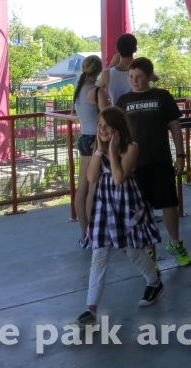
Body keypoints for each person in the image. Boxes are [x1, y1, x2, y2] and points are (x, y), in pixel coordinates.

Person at [75, 106, 163, 327]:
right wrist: (98, 150)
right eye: (99, 125)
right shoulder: (98, 146)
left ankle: (154, 282)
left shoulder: (131, 147)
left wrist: (112, 152)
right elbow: (92, 176)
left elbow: (118, 178)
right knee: (99, 256)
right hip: (104, 205)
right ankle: (90, 309)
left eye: (107, 125)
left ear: (118, 126)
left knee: (133, 252)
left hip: (126, 202)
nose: (102, 129)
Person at [114, 57, 191, 268]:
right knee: (142, 209)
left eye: (139, 77)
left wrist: (181, 155)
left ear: (149, 76)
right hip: (134, 165)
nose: (135, 81)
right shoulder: (122, 101)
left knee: (169, 205)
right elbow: (116, 132)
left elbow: (175, 126)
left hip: (161, 160)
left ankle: (175, 243)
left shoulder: (163, 96)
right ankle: (148, 252)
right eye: (131, 77)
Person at [73, 54, 103, 241]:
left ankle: (85, 233)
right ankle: (94, 231)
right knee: (93, 187)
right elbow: (108, 114)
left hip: (84, 137)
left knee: (82, 186)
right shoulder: (97, 92)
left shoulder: (80, 90)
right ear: (99, 70)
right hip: (96, 140)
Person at [96, 33, 138, 109]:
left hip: (118, 117)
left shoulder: (108, 74)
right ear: (135, 49)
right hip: (137, 117)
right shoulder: (141, 70)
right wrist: (137, 63)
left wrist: (112, 64)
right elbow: (155, 78)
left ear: (116, 49)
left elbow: (96, 88)